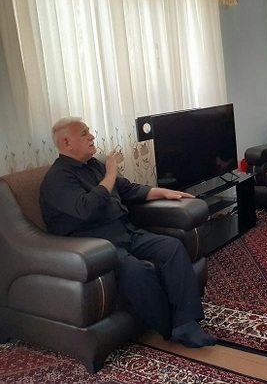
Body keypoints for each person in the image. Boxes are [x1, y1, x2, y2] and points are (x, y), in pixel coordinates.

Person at [39, 117, 217, 348]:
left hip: (125, 231)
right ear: (67, 143)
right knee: (136, 270)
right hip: (97, 245)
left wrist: (163, 192)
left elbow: (128, 189)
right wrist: (110, 174)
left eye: (89, 131)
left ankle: (186, 322)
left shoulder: (94, 165)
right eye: (84, 133)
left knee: (172, 247)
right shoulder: (58, 178)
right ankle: (169, 327)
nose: (92, 136)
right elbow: (87, 209)